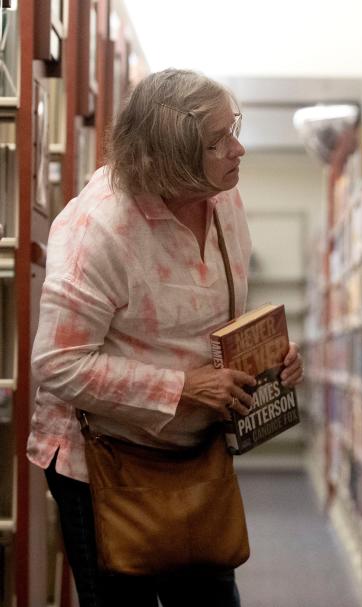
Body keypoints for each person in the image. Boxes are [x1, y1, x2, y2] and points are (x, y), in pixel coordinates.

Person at [26, 68, 303, 606]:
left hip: (194, 457)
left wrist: (272, 361)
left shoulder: (222, 200)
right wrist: (180, 389)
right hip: (104, 464)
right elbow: (58, 363)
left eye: (235, 127)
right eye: (218, 141)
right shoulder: (99, 230)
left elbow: (212, 323)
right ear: (171, 161)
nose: (239, 148)